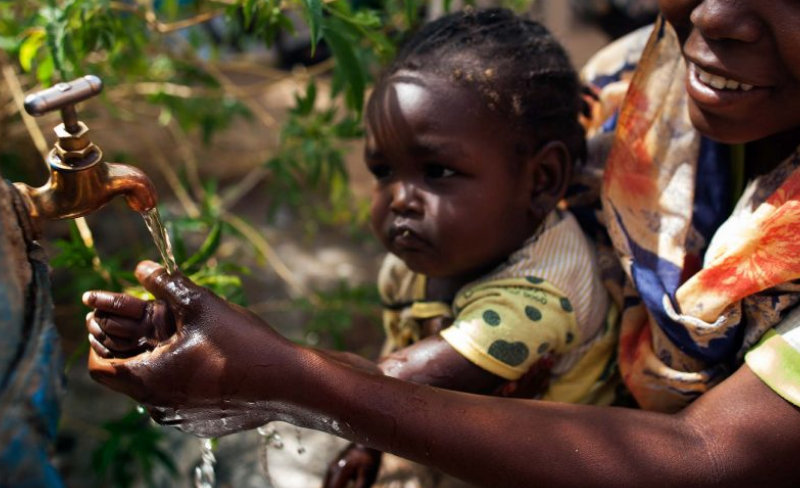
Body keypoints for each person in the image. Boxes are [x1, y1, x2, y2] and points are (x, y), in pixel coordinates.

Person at [83, 1, 800, 487]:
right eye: (382, 171)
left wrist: (274, 376)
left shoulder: (533, 298)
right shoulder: (637, 89)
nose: (714, 13)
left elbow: (709, 457)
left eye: (438, 172)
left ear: (543, 178)